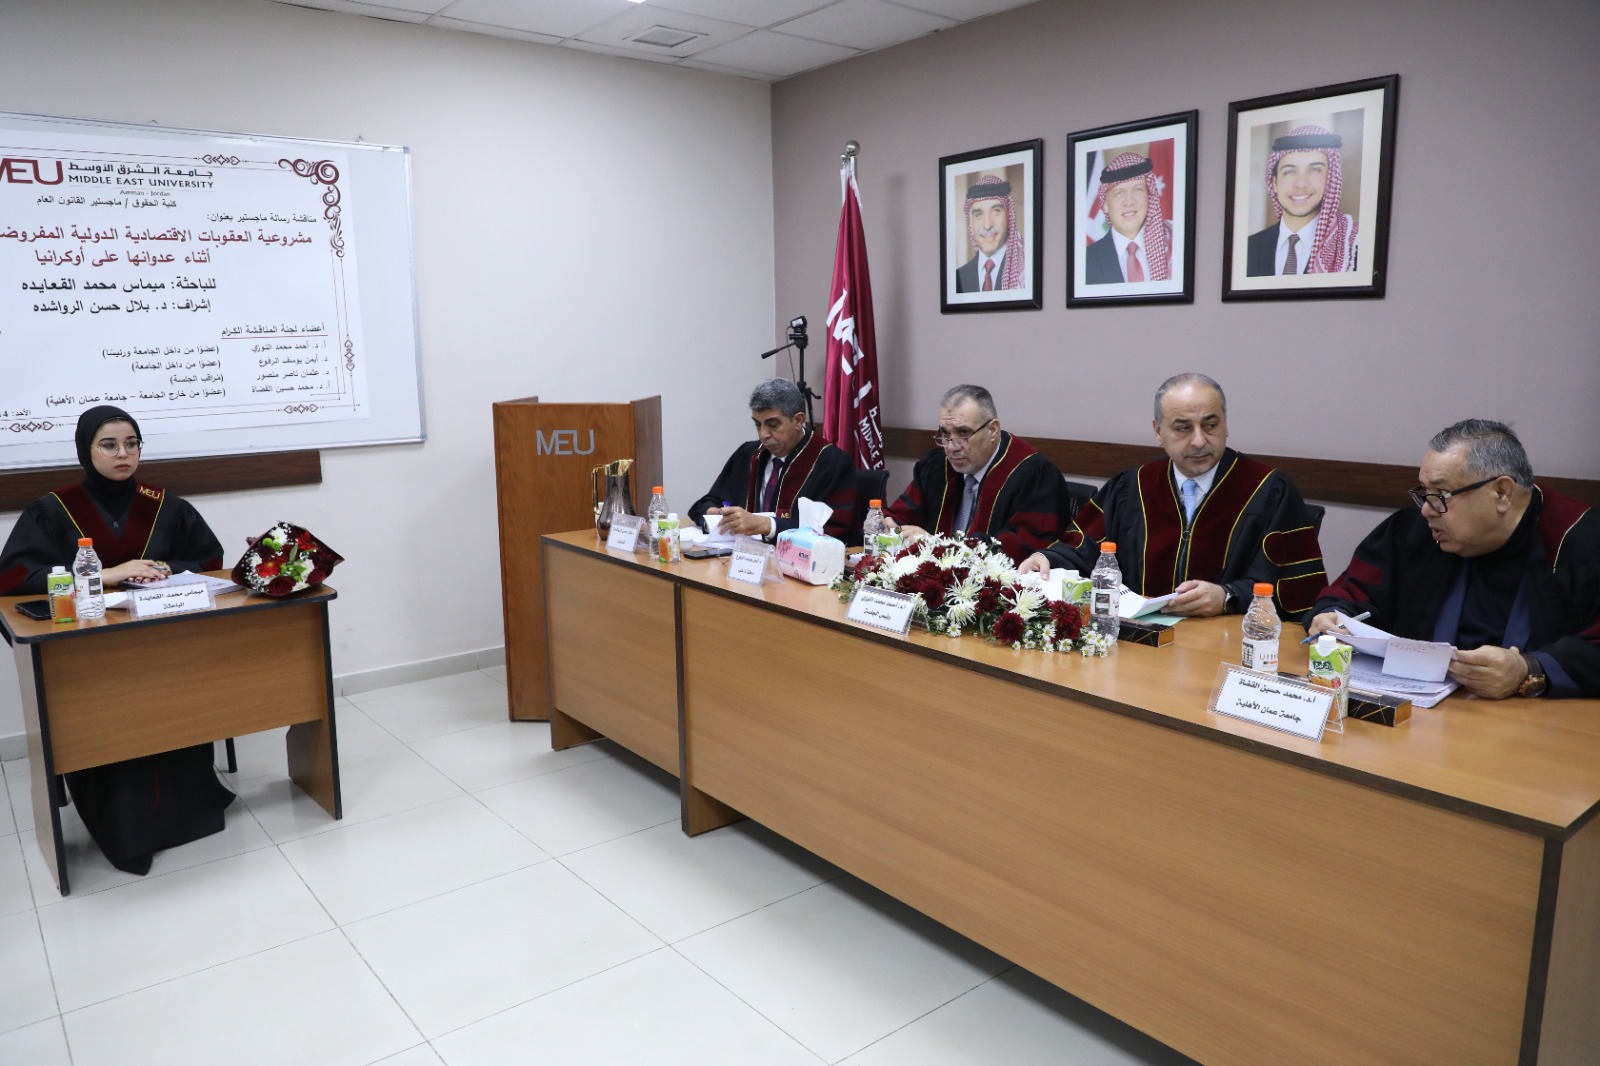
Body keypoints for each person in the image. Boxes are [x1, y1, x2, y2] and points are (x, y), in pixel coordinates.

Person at [0, 405, 233, 874]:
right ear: (86, 451)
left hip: (165, 646)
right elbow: (14, 577)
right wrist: (105, 574)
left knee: (174, 712)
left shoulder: (165, 504)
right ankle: (127, 827)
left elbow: (209, 561)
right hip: (90, 655)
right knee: (115, 724)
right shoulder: (54, 509)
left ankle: (191, 809)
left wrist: (165, 568)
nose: (123, 453)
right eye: (109, 445)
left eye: (132, 444)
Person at [1308, 420, 1600, 699]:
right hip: (1422, 710)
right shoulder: (1413, 531)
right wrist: (1333, 615)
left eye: (1442, 493)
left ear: (1502, 493)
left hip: (1535, 721)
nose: (1427, 510)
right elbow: (1353, 591)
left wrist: (1530, 669)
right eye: (1425, 492)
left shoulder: (1580, 542)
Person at [1020, 374, 1326, 618]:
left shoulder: (1268, 489)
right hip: (1137, 640)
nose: (1199, 441)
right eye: (1183, 428)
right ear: (1158, 432)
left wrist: (1228, 596)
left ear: (1226, 424)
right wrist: (1045, 558)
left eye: (1211, 425)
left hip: (1224, 646)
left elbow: (1297, 587)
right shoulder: (1133, 487)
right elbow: (1085, 548)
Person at [884, 385, 1070, 563]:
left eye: (963, 432)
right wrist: (888, 525)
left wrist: (940, 547)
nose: (951, 447)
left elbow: (1023, 548)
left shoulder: (1034, 476)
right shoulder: (936, 466)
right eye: (945, 434)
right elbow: (903, 514)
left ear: (992, 430)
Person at [688, 378, 855, 542]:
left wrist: (767, 525)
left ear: (798, 420)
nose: (763, 435)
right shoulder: (748, 454)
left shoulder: (832, 463)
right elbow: (707, 502)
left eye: (773, 424)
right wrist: (713, 513)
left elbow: (834, 530)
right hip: (740, 554)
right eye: (758, 424)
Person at [1245, 124, 1359, 277]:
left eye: (1315, 170)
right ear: (1274, 183)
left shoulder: (1353, 246)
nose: (1301, 184)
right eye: (1289, 171)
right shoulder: (1248, 248)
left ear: (1330, 179)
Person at [1085, 150, 1173, 285]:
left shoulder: (1174, 244)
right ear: (1106, 204)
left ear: (1149, 196)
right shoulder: (1086, 260)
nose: (1129, 201)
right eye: (1119, 193)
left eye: (1137, 189)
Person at [954, 175, 1025, 293]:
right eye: (978, 214)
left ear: (1009, 217)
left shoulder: (1026, 270)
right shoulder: (958, 278)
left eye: (996, 211)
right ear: (970, 224)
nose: (987, 225)